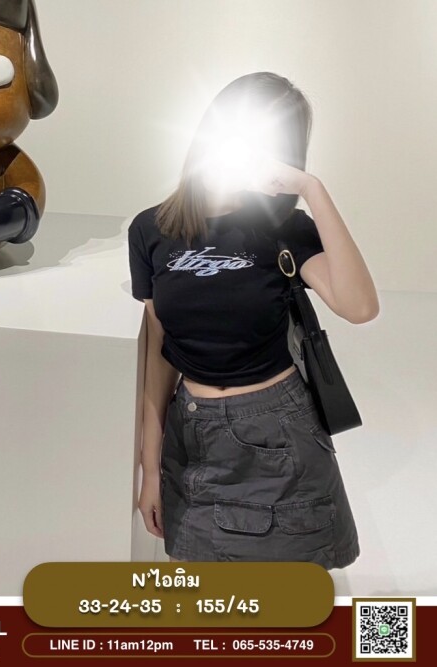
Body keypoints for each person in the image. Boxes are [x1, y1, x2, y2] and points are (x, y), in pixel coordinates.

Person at [128, 72, 379, 567]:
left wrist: (311, 188)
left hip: (277, 434)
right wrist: (150, 468)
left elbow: (360, 307)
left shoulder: (285, 229)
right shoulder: (150, 229)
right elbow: (159, 354)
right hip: (190, 437)